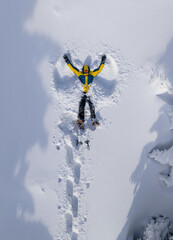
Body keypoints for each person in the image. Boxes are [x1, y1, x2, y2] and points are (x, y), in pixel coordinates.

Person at [63, 54, 106, 129]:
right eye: (85, 70)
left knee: (91, 105)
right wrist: (67, 61)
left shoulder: (92, 74)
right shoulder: (80, 74)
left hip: (90, 92)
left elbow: (99, 69)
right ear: (83, 70)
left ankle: (93, 120)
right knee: (81, 105)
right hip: (82, 92)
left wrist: (102, 61)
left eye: (87, 70)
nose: (86, 72)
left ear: (88, 70)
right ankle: (81, 120)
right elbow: (73, 68)